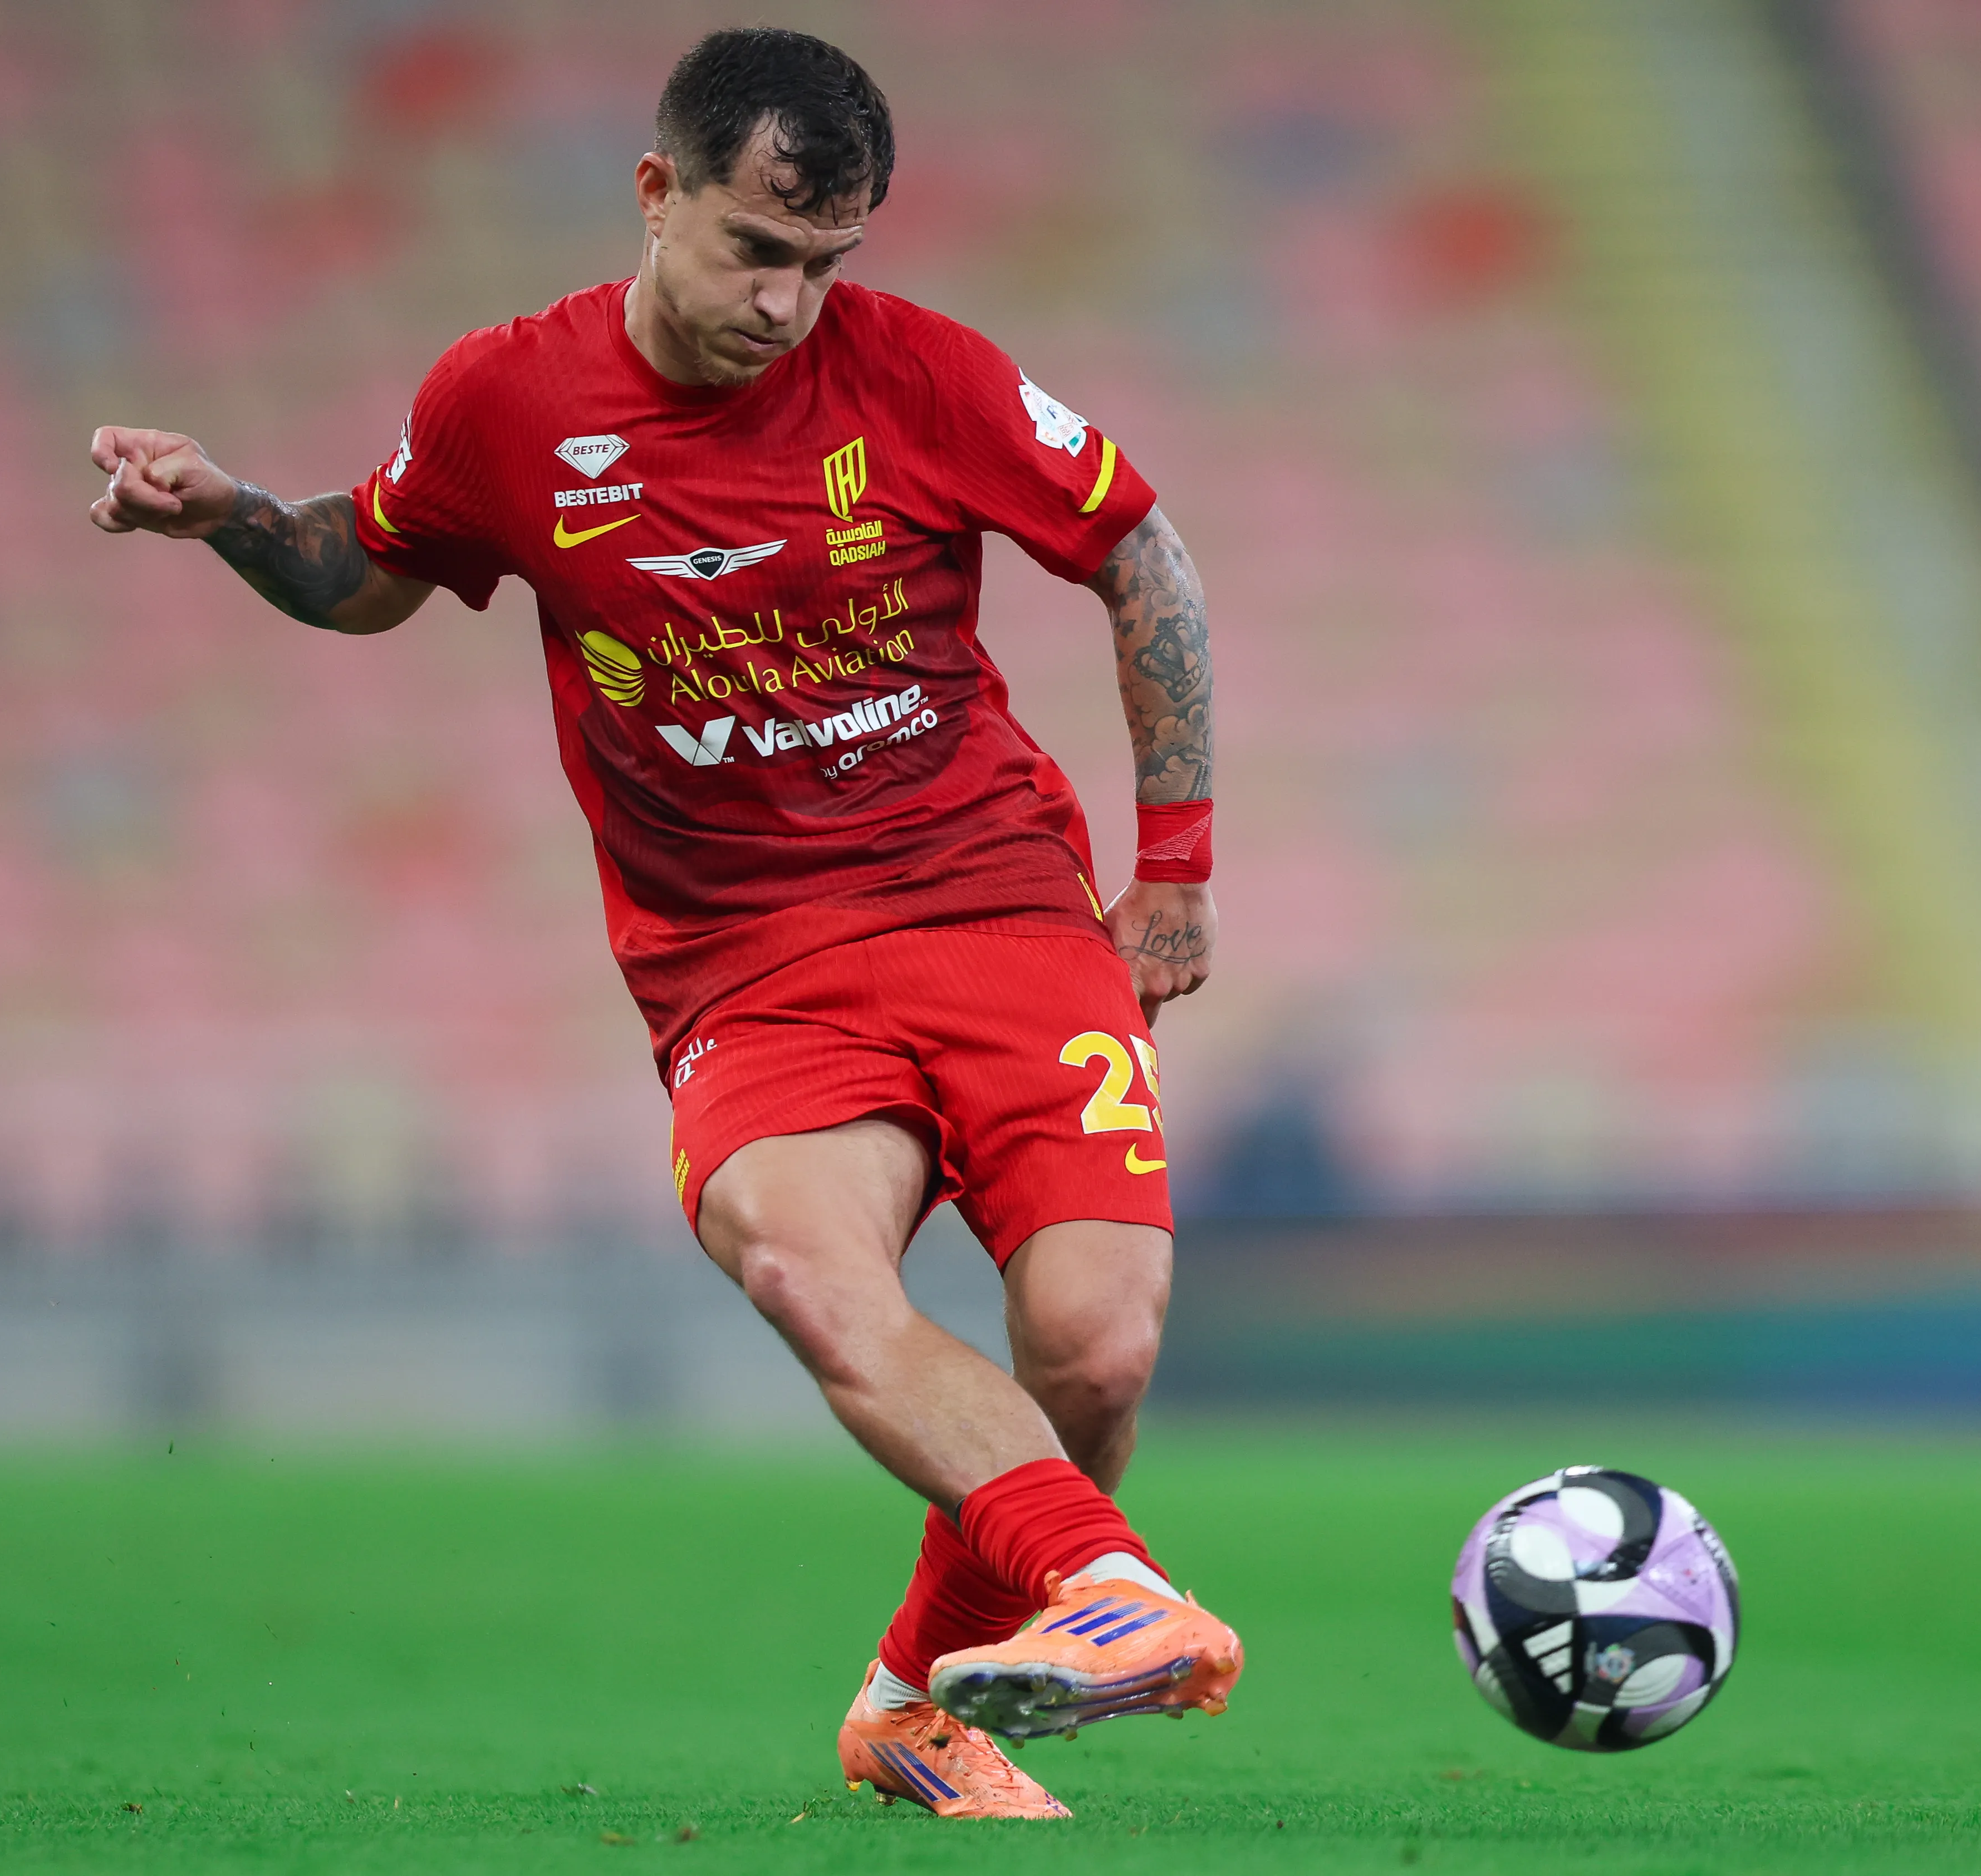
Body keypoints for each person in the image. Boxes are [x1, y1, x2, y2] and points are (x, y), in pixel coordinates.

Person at [86, 27, 1233, 1820]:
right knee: (804, 1267)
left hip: (992, 902)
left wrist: (1176, 857)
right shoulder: (506, 403)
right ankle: (1111, 1592)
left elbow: (1140, 556)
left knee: (1095, 1347)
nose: (788, 304)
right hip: (743, 965)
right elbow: (359, 573)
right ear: (655, 194)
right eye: (754, 251)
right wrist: (227, 511)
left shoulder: (926, 378)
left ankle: (911, 1702)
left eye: (824, 264)